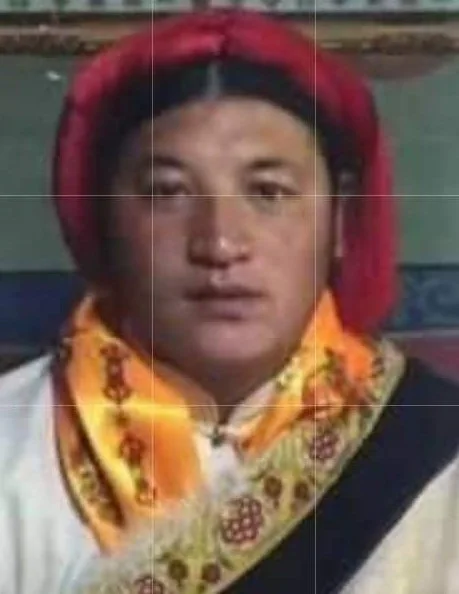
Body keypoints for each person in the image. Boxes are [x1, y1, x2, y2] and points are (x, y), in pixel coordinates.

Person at [0, 9, 458, 594]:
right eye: (168, 192)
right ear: (104, 219)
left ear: (340, 219)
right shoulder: (14, 445)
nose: (218, 243)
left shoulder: (435, 444)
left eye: (269, 192)